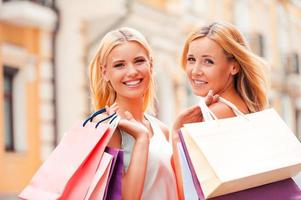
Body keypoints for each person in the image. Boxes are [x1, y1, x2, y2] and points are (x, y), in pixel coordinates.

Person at [172, 21, 270, 198]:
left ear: (234, 66)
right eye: (191, 59)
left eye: (208, 61)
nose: (195, 71)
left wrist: (175, 134)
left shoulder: (215, 115)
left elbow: (187, 190)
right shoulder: (248, 108)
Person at [88, 27, 179, 200]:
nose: (132, 72)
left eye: (139, 61)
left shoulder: (162, 130)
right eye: (119, 65)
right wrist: (141, 138)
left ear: (151, 65)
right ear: (104, 72)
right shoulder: (107, 128)